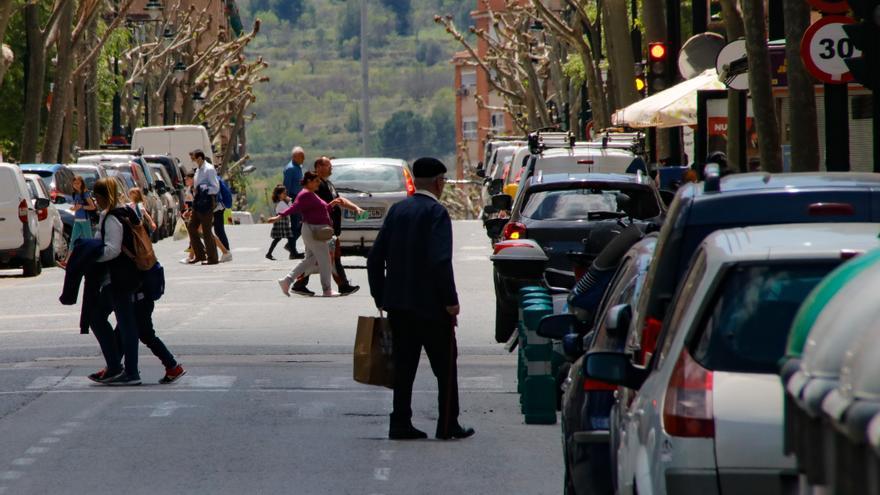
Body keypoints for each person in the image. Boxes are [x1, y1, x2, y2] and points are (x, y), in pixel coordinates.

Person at [367, 157, 474, 441]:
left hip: (399, 305)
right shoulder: (436, 213)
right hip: (432, 308)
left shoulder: (398, 211)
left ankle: (400, 423)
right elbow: (440, 261)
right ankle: (448, 423)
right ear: (439, 182)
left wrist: (381, 295)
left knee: (403, 368)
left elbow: (375, 258)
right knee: (445, 367)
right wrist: (450, 300)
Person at [87, 178, 143, 386]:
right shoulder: (126, 211)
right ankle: (119, 367)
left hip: (118, 278)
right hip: (127, 276)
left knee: (106, 320)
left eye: (96, 196)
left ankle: (124, 369)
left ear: (102, 197)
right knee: (123, 323)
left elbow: (112, 249)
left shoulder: (111, 217)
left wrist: (91, 257)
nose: (95, 200)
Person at [291, 157, 364, 296]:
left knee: (321, 259)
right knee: (329, 259)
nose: (331, 168)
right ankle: (342, 285)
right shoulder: (316, 186)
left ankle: (299, 284)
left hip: (329, 230)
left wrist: (355, 208)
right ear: (318, 166)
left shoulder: (328, 184)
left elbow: (338, 200)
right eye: (328, 165)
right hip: (320, 230)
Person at [270, 171, 342, 297]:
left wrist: (333, 204)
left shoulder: (311, 194)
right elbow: (294, 208)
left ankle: (287, 280)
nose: (318, 184)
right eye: (316, 181)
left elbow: (324, 208)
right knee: (325, 259)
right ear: (308, 181)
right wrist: (279, 217)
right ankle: (327, 289)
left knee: (310, 260)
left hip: (314, 230)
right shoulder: (305, 195)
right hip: (313, 231)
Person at [186, 149, 220, 265]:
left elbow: (215, 187)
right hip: (197, 202)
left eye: (194, 159)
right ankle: (200, 255)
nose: (193, 161)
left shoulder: (209, 169)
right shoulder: (198, 170)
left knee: (206, 231)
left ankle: (213, 258)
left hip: (206, 203)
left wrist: (203, 189)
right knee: (191, 227)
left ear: (200, 158)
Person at [61, 175, 97, 267]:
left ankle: (92, 259)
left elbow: (92, 206)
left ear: (82, 184)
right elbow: (77, 206)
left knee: (88, 239)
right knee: (73, 240)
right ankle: (67, 260)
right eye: (74, 183)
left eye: (78, 183)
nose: (76, 185)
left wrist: (81, 207)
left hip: (85, 220)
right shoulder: (75, 194)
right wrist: (74, 208)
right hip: (77, 220)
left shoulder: (85, 194)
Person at [283, 147, 306, 259]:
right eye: (301, 156)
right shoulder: (290, 169)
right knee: (296, 225)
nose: (304, 158)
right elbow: (286, 187)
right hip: (293, 199)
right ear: (295, 157)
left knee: (302, 223)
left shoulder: (298, 167)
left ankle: (291, 246)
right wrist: (287, 201)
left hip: (300, 198)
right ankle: (293, 251)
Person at [266, 184, 292, 260]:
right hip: (281, 221)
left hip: (283, 221)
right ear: (279, 194)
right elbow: (289, 209)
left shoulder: (281, 202)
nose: (285, 195)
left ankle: (269, 253)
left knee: (280, 238)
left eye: (286, 193)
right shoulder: (281, 203)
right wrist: (289, 201)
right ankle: (291, 249)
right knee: (285, 237)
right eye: (284, 193)